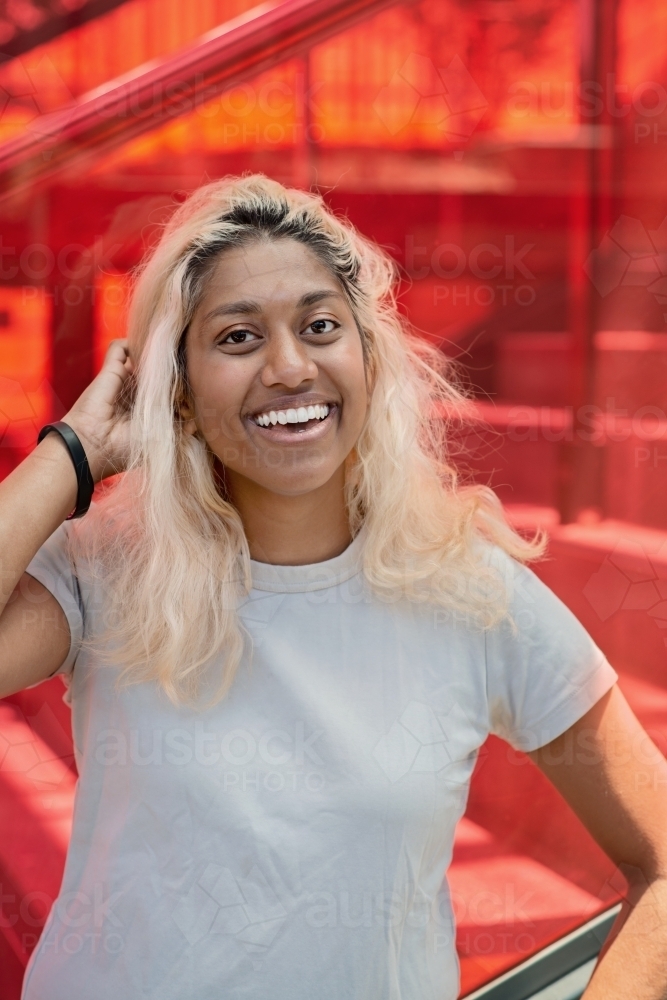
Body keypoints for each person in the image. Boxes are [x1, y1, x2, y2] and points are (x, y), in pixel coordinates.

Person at [1, 174, 666, 1000]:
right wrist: (77, 448)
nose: (288, 367)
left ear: (367, 356)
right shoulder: (109, 566)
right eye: (237, 338)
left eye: (319, 326)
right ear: (175, 388)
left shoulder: (467, 590)